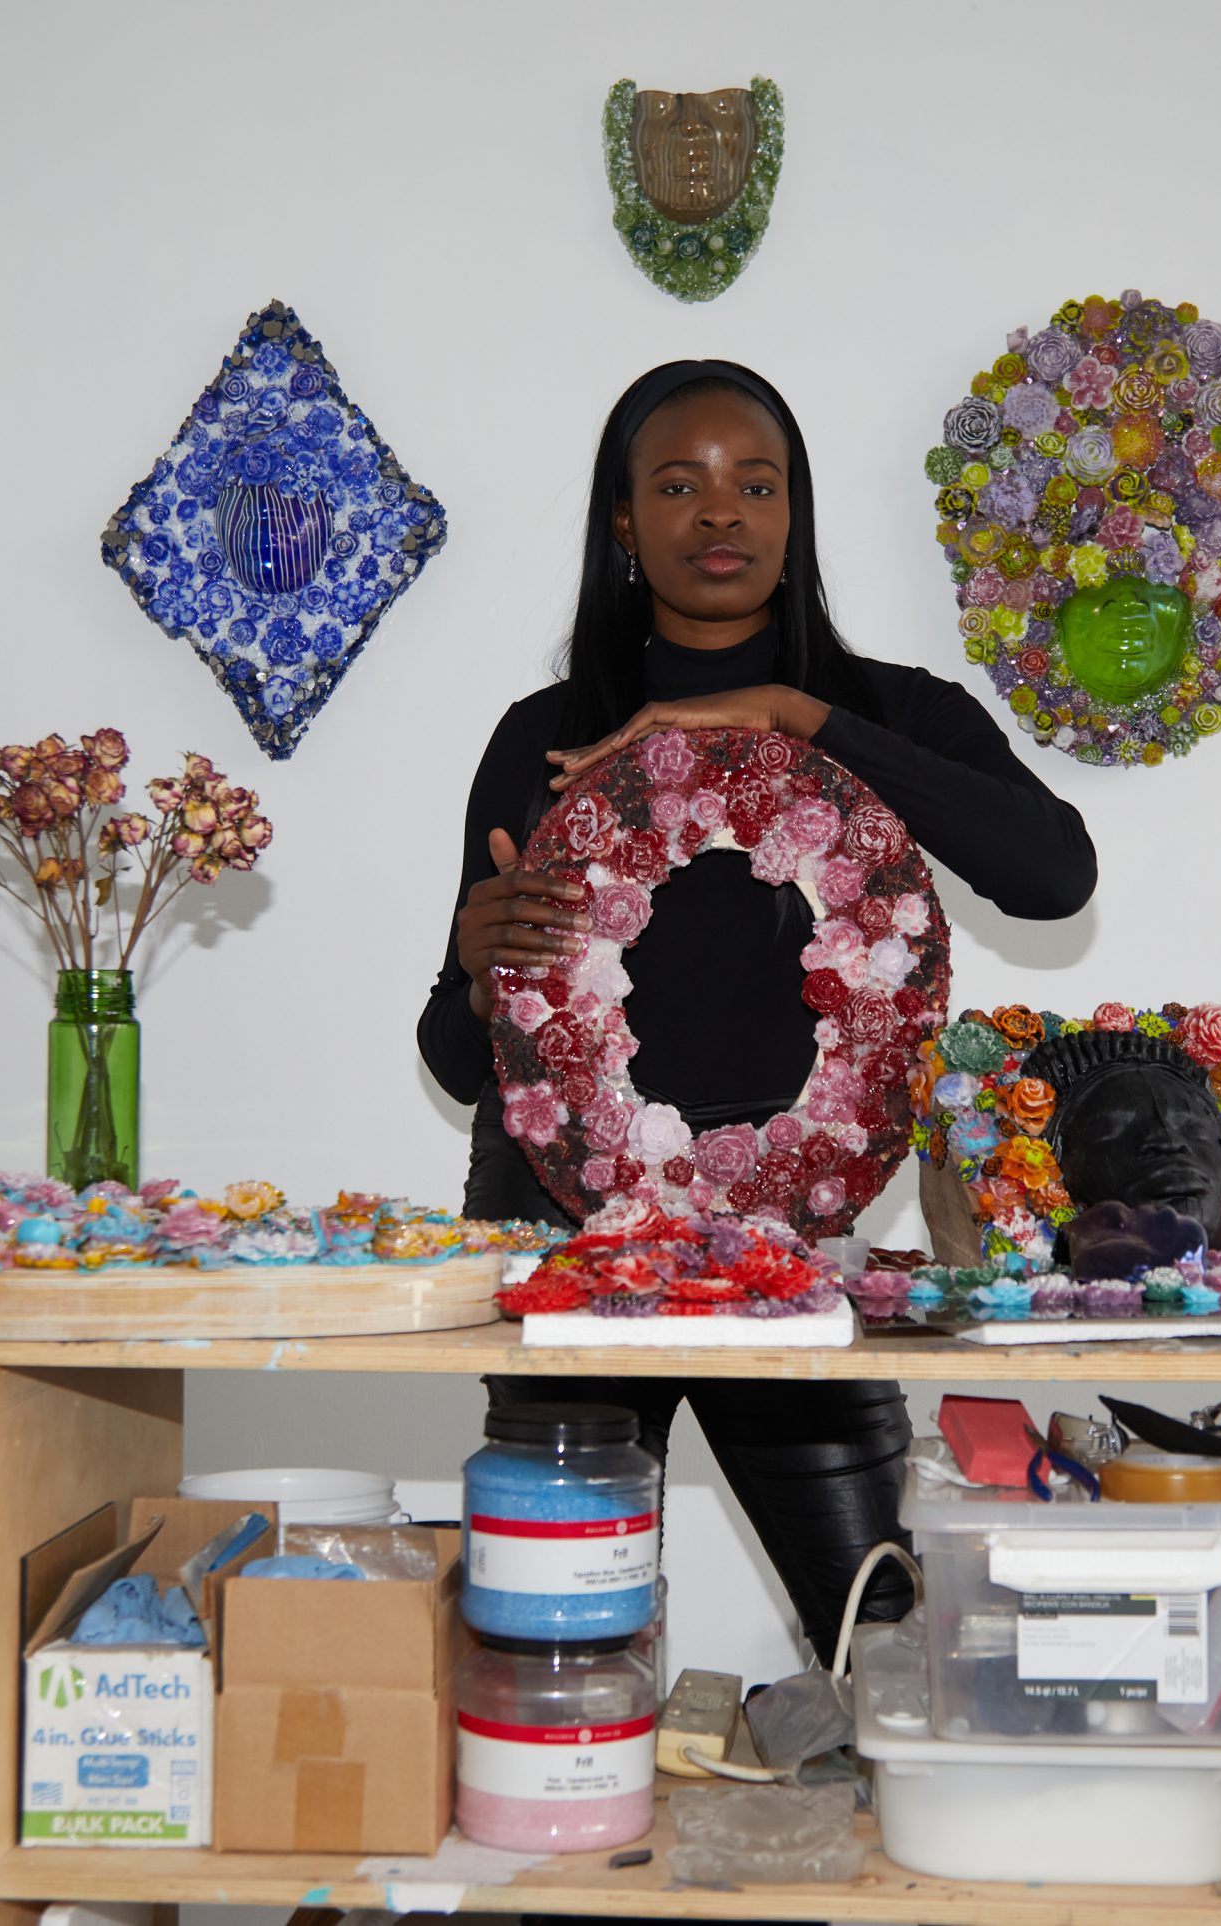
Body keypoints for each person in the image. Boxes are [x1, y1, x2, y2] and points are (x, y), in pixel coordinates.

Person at [416, 360, 1096, 1664]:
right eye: (677, 484)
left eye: (756, 483)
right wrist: (471, 960)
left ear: (796, 513)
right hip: (568, 1256)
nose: (718, 512)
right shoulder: (548, 735)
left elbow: (1055, 876)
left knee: (887, 1644)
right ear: (624, 521)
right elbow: (458, 1063)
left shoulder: (888, 713)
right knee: (553, 1656)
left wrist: (800, 718)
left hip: (791, 1250)